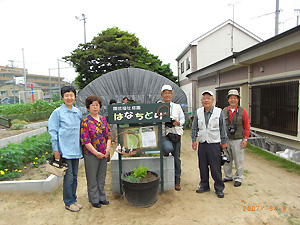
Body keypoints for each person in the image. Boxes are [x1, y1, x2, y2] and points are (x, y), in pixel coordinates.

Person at [48, 86, 83, 212]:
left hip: (76, 150)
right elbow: (53, 132)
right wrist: (56, 150)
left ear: (75, 97)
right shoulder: (57, 112)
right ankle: (68, 202)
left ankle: (74, 199)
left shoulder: (77, 112)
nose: (69, 98)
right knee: (68, 178)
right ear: (62, 97)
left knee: (74, 177)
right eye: (66, 95)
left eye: (71, 95)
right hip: (65, 150)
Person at [191, 90, 228, 198]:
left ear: (212, 100)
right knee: (202, 166)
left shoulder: (218, 111)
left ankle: (219, 188)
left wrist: (224, 141)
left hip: (214, 143)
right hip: (203, 142)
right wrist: (194, 140)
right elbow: (194, 127)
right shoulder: (198, 112)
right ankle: (204, 185)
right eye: (204, 98)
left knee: (215, 167)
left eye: (208, 98)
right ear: (201, 101)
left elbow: (222, 128)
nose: (206, 100)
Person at [80, 95, 111, 208]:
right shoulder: (85, 122)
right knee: (92, 177)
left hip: (104, 153)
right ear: (88, 108)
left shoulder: (103, 119)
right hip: (91, 154)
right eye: (92, 105)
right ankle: (94, 199)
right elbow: (85, 140)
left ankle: (102, 197)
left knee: (101, 176)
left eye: (97, 105)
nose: (95, 107)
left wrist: (107, 149)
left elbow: (108, 136)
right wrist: (95, 153)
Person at [222, 89, 250, 187]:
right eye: (231, 98)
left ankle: (239, 177)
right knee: (226, 159)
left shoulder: (243, 111)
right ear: (228, 99)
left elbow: (247, 125)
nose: (233, 100)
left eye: (235, 98)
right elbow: (221, 126)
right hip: (227, 139)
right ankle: (228, 176)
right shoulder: (224, 111)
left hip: (238, 139)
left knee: (239, 160)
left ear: (238, 99)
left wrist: (245, 139)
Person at [161, 84, 185, 191]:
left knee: (177, 158)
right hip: (164, 134)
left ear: (172, 94)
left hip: (176, 134)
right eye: (165, 93)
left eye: (169, 93)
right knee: (167, 148)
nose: (167, 95)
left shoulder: (177, 106)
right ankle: (165, 151)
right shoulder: (159, 106)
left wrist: (178, 122)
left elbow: (183, 119)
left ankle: (177, 180)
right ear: (162, 95)